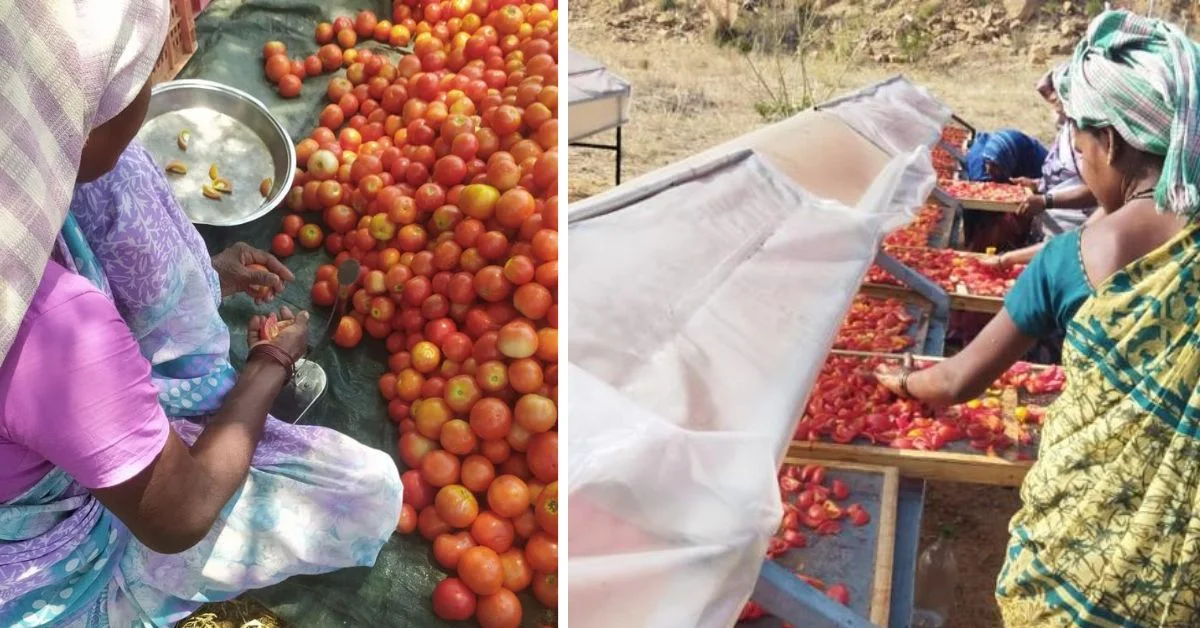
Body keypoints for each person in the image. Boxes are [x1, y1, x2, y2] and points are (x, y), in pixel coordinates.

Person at [0, 2, 402, 626]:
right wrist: (269, 365)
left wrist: (202, 271)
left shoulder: (26, 195)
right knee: (366, 490)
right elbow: (178, 517)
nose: (147, 95)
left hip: (49, 434)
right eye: (135, 82)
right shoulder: (52, 328)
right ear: (69, 108)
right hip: (49, 559)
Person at [878, 10, 1200, 626]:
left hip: (1080, 559)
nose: (1078, 160)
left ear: (1110, 141)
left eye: (1079, 146)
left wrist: (904, 380)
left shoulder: (1072, 258)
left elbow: (956, 383)